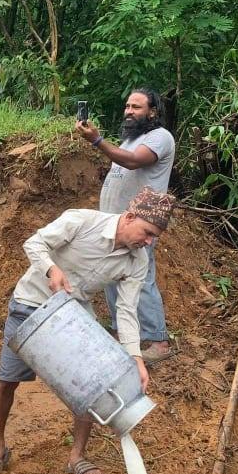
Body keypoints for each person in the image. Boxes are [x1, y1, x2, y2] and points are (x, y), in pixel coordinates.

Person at [0, 187, 175, 474]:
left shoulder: (137, 260)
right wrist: (51, 269)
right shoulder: (82, 221)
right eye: (146, 233)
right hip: (30, 304)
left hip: (75, 318)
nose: (147, 242)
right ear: (130, 217)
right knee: (7, 380)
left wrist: (136, 358)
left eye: (153, 237)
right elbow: (34, 243)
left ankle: (77, 456)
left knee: (92, 388)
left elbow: (127, 310)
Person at [76, 88, 176, 363]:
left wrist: (97, 140)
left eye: (136, 107)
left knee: (141, 277)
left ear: (152, 112)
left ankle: (158, 341)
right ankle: (122, 333)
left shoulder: (160, 137)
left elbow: (132, 163)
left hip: (141, 223)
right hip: (117, 222)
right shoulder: (131, 139)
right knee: (111, 276)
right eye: (127, 106)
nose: (129, 111)